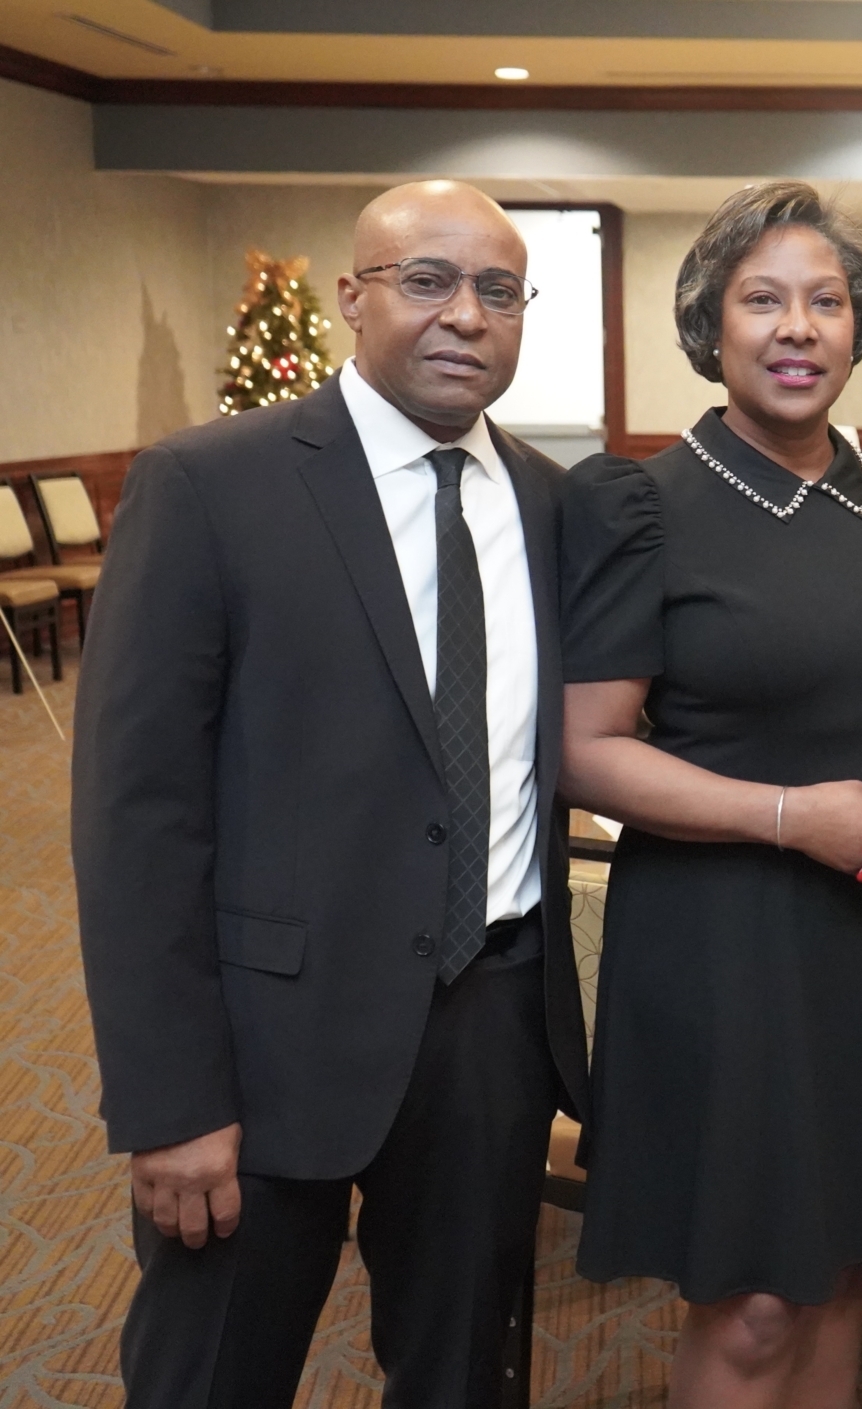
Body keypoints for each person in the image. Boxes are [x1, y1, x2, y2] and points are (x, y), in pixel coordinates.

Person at [72, 179, 589, 1405]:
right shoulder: (211, 484)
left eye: (498, 290)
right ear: (353, 299)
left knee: (464, 1373)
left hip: (491, 1024)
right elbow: (135, 816)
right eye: (427, 280)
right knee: (213, 1375)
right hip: (262, 1047)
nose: (465, 314)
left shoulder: (553, 505)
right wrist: (171, 1099)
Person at [557, 181, 862, 1409]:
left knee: (839, 1265)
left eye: (826, 301)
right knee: (747, 1302)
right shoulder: (640, 503)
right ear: (710, 326)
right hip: (718, 936)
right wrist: (787, 814)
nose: (797, 327)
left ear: (858, 330)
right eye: (762, 300)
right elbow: (586, 750)